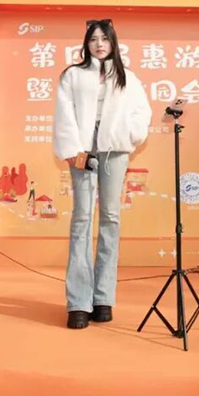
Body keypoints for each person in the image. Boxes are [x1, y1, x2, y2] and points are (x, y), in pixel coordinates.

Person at [53, 18, 152, 329]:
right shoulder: (72, 75)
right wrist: (71, 148)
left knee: (110, 217)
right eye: (94, 39)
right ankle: (78, 302)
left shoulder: (128, 77)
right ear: (86, 43)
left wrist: (129, 136)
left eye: (104, 39)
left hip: (115, 150)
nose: (99, 44)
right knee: (82, 218)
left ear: (113, 43)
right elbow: (64, 112)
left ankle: (103, 297)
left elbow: (142, 112)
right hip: (82, 148)